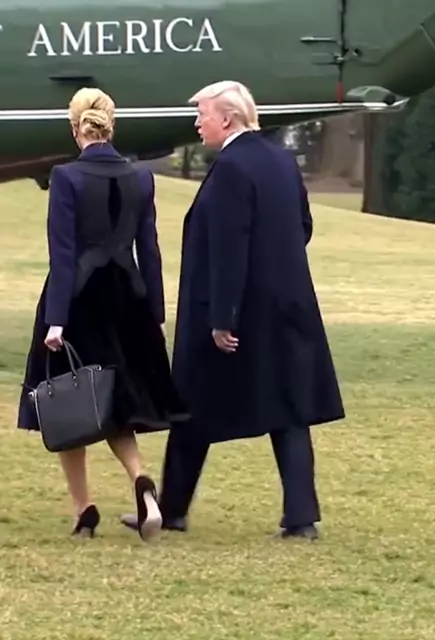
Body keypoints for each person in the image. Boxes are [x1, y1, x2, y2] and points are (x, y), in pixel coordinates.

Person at [121, 81, 345, 540]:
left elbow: (228, 246)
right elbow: (301, 226)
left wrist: (223, 317)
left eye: (201, 114)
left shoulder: (231, 169)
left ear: (226, 119)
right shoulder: (282, 161)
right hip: (286, 305)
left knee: (192, 402)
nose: (197, 124)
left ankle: (174, 509)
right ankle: (301, 518)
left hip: (231, 312)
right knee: (289, 408)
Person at [17, 87, 187, 542]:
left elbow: (63, 254)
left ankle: (84, 509)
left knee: (67, 401)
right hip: (128, 298)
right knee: (116, 403)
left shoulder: (66, 177)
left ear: (77, 128)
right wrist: (155, 311)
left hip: (78, 299)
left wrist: (56, 320)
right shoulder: (141, 178)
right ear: (111, 127)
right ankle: (141, 481)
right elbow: (150, 249)